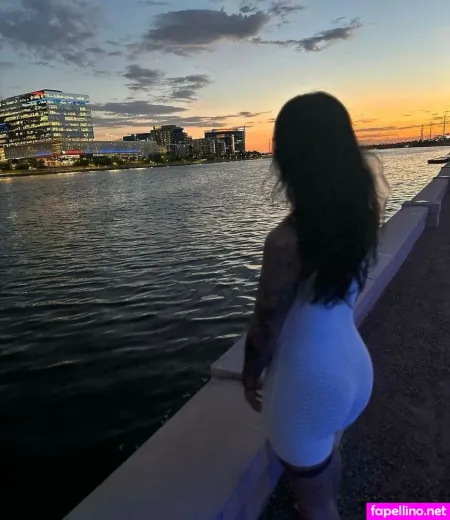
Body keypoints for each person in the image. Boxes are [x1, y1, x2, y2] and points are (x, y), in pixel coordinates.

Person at [242, 92, 389, 519]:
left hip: (307, 385)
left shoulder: (286, 241)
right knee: (326, 458)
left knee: (318, 508)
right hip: (352, 370)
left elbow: (265, 327)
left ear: (288, 158)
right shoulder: (360, 214)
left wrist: (250, 374)